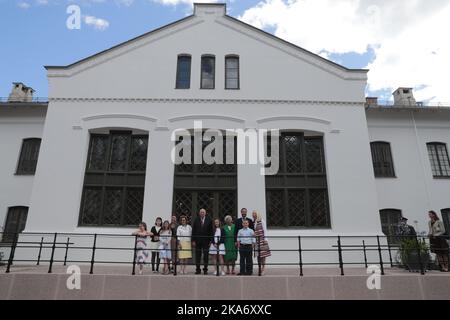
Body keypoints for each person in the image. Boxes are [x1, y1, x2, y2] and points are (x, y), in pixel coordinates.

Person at [192, 208, 214, 275]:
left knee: (206, 256)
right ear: (199, 213)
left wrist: (211, 241)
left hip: (206, 241)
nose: (202, 213)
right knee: (197, 256)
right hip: (197, 241)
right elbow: (194, 231)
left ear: (205, 213)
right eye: (201, 212)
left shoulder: (209, 220)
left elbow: (211, 231)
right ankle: (198, 269)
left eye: (203, 212)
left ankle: (205, 270)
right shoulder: (196, 220)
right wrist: (193, 240)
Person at [252, 211, 271, 275]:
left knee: (263, 255)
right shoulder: (253, 222)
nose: (253, 215)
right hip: (257, 241)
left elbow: (265, 230)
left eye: (254, 214)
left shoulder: (262, 221)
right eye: (253, 214)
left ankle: (263, 268)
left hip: (262, 240)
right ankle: (259, 267)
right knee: (258, 255)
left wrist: (266, 239)